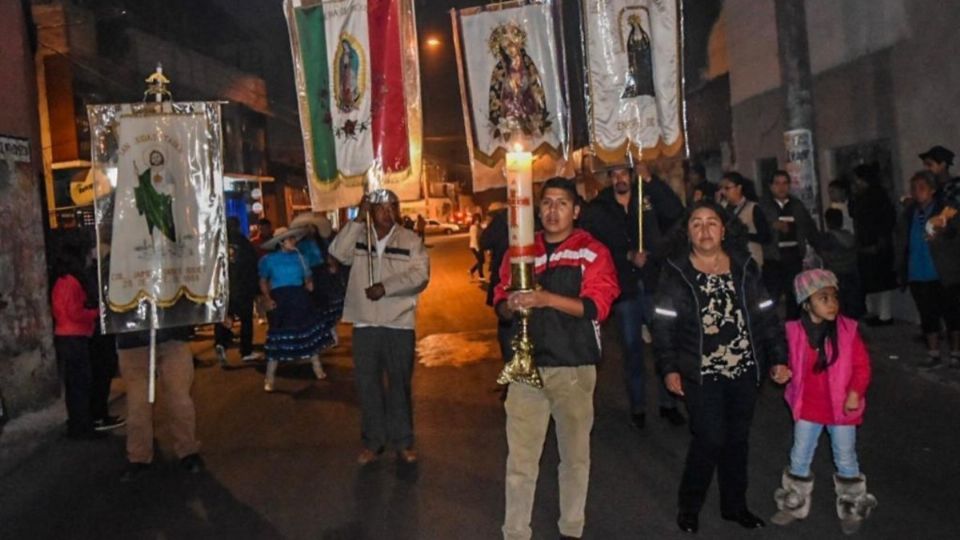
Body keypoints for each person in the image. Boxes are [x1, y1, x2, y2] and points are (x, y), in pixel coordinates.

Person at [652, 200, 788, 534]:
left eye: (711, 222)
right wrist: (669, 368)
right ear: (687, 232)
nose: (704, 230)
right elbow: (664, 325)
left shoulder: (744, 267)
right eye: (696, 224)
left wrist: (778, 357)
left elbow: (766, 314)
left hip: (744, 368)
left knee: (737, 439)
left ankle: (734, 506)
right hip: (701, 371)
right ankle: (690, 505)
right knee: (710, 437)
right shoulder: (676, 271)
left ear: (723, 229)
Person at [495, 177, 620, 540]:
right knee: (520, 460)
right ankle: (515, 531)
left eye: (561, 203)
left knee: (575, 459)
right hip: (526, 368)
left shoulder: (591, 251)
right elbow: (500, 300)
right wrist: (510, 305)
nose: (552, 210)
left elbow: (597, 307)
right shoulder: (520, 251)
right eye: (546, 202)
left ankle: (572, 527)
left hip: (574, 369)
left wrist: (545, 299)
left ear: (576, 210)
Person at [770, 269, 877, 535]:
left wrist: (855, 392)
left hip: (841, 410)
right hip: (807, 407)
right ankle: (794, 503)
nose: (831, 304)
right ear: (806, 304)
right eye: (822, 298)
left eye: (833, 297)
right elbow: (781, 361)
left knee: (845, 457)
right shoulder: (793, 332)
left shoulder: (848, 330)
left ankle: (852, 505)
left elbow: (862, 367)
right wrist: (779, 371)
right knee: (800, 455)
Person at [580, 162, 685, 430]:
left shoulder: (647, 197)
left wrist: (650, 180)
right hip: (625, 289)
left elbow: (675, 213)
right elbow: (594, 244)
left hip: (654, 285)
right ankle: (638, 407)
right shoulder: (601, 208)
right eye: (614, 175)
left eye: (624, 174)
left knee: (664, 346)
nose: (619, 179)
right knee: (632, 351)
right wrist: (625, 256)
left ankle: (669, 403)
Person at [328, 189, 430, 465]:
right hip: (365, 323)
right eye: (379, 207)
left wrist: (386, 288)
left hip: (398, 324)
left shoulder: (410, 239)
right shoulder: (360, 237)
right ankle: (373, 441)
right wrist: (357, 219)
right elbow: (337, 252)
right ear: (371, 211)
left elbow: (420, 275)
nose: (386, 212)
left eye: (391, 207)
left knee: (399, 384)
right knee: (367, 385)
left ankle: (403, 441)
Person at [116, 325, 204, 481]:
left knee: (179, 398)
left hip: (171, 334)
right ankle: (139, 455)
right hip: (133, 338)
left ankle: (188, 450)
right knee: (138, 404)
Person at [896, 171, 960, 368]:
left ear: (932, 190)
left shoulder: (946, 210)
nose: (916, 192)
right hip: (918, 272)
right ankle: (933, 354)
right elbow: (901, 240)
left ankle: (955, 353)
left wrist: (943, 232)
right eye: (914, 188)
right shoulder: (909, 213)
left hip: (942, 271)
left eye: (921, 188)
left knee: (952, 314)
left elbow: (955, 231)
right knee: (927, 315)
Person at [258, 227, 333, 392]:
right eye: (289, 239)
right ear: (281, 242)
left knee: (307, 332)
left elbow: (308, 277)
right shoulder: (269, 260)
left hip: (299, 296)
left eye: (293, 238)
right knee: (278, 336)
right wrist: (267, 298)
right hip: (280, 299)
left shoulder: (301, 257)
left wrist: (309, 282)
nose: (293, 241)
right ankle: (270, 378)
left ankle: (317, 368)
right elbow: (263, 281)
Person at [50, 242, 102, 440]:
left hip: (66, 336)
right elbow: (74, 312)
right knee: (80, 384)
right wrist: (94, 313)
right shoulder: (70, 281)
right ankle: (82, 427)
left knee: (74, 385)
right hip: (74, 336)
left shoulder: (60, 281)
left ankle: (77, 424)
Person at [760, 170, 817, 320]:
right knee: (772, 294)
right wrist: (772, 225)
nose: (781, 187)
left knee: (794, 294)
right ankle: (770, 328)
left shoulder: (796, 205)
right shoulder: (763, 206)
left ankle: (793, 326)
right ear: (771, 186)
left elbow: (809, 227)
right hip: (772, 257)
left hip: (793, 255)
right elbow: (756, 227)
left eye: (785, 183)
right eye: (777, 183)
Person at [850, 163, 897, 326]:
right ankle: (875, 313)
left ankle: (885, 315)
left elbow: (885, 221)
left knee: (881, 281)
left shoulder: (877, 196)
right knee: (871, 281)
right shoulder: (863, 197)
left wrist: (879, 243)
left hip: (876, 246)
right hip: (867, 244)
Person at [215, 217, 261, 367]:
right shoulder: (244, 243)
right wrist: (256, 288)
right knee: (246, 320)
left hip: (223, 288)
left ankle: (221, 343)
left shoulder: (218, 243)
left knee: (225, 316)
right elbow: (251, 265)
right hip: (242, 288)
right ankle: (246, 351)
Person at [816, 209, 864, 319]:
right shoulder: (849, 236)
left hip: (835, 274)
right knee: (853, 302)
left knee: (839, 304)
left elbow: (824, 254)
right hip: (851, 272)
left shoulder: (827, 238)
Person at [481, 202, 513, 361]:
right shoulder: (527, 216)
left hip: (505, 275)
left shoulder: (499, 223)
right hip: (523, 272)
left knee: (507, 325)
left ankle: (512, 373)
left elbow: (484, 241)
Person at [720, 171, 770, 267]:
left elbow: (765, 237)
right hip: (728, 260)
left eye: (727, 188)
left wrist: (742, 234)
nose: (723, 192)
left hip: (751, 260)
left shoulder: (753, 208)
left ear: (739, 188)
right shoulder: (721, 208)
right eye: (721, 188)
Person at [468, 213, 485, 281]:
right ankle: (481, 276)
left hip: (479, 246)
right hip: (474, 246)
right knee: (480, 261)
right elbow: (474, 238)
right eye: (476, 220)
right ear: (474, 220)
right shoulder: (473, 227)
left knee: (481, 260)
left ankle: (472, 270)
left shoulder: (479, 227)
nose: (477, 221)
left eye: (478, 219)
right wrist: (477, 248)